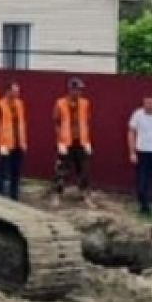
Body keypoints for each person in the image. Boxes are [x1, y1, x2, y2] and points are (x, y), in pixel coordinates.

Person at [50, 77, 94, 208]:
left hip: (81, 142)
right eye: (77, 89)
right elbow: (56, 122)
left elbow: (87, 121)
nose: (79, 92)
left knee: (84, 170)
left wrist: (87, 141)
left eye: (81, 90)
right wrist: (60, 141)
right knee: (61, 171)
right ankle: (57, 196)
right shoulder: (60, 103)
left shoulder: (85, 103)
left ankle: (85, 196)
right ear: (71, 89)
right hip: (66, 141)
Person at [0, 82, 28, 200]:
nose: (17, 93)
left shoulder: (20, 104)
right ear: (8, 91)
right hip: (6, 144)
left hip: (18, 143)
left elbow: (22, 124)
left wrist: (23, 142)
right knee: (2, 171)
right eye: (15, 91)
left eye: (18, 91)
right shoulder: (0, 105)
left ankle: (14, 196)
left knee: (16, 172)